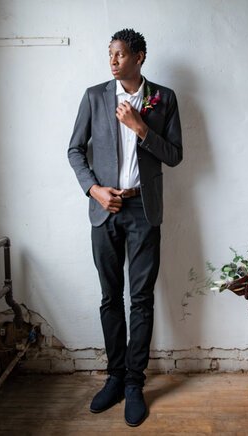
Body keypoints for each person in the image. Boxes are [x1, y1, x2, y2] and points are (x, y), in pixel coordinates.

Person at [67, 28, 183, 427]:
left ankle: (135, 383)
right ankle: (114, 377)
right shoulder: (94, 96)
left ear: (140, 57)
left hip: (143, 210)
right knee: (109, 297)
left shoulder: (163, 98)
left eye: (120, 54)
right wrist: (94, 190)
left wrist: (141, 127)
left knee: (142, 300)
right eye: (110, 54)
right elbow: (74, 150)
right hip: (105, 209)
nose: (113, 60)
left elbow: (175, 155)